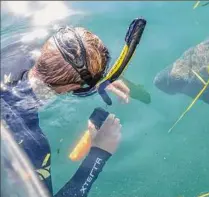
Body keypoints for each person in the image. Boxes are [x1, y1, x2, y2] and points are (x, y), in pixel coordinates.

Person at [0, 27, 131, 197]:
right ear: (70, 88)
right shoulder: (32, 145)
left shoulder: (14, 48)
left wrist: (97, 82)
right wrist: (99, 153)